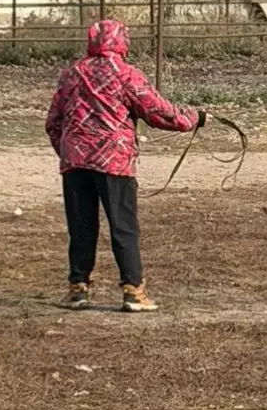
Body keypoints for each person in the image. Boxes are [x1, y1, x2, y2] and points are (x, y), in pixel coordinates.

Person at [45, 19, 205, 313]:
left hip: (76, 163)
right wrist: (192, 118)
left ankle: (77, 288)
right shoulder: (126, 75)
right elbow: (159, 111)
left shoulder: (72, 74)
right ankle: (133, 290)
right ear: (121, 42)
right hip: (114, 163)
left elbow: (53, 122)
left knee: (81, 227)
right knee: (123, 226)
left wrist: (68, 151)